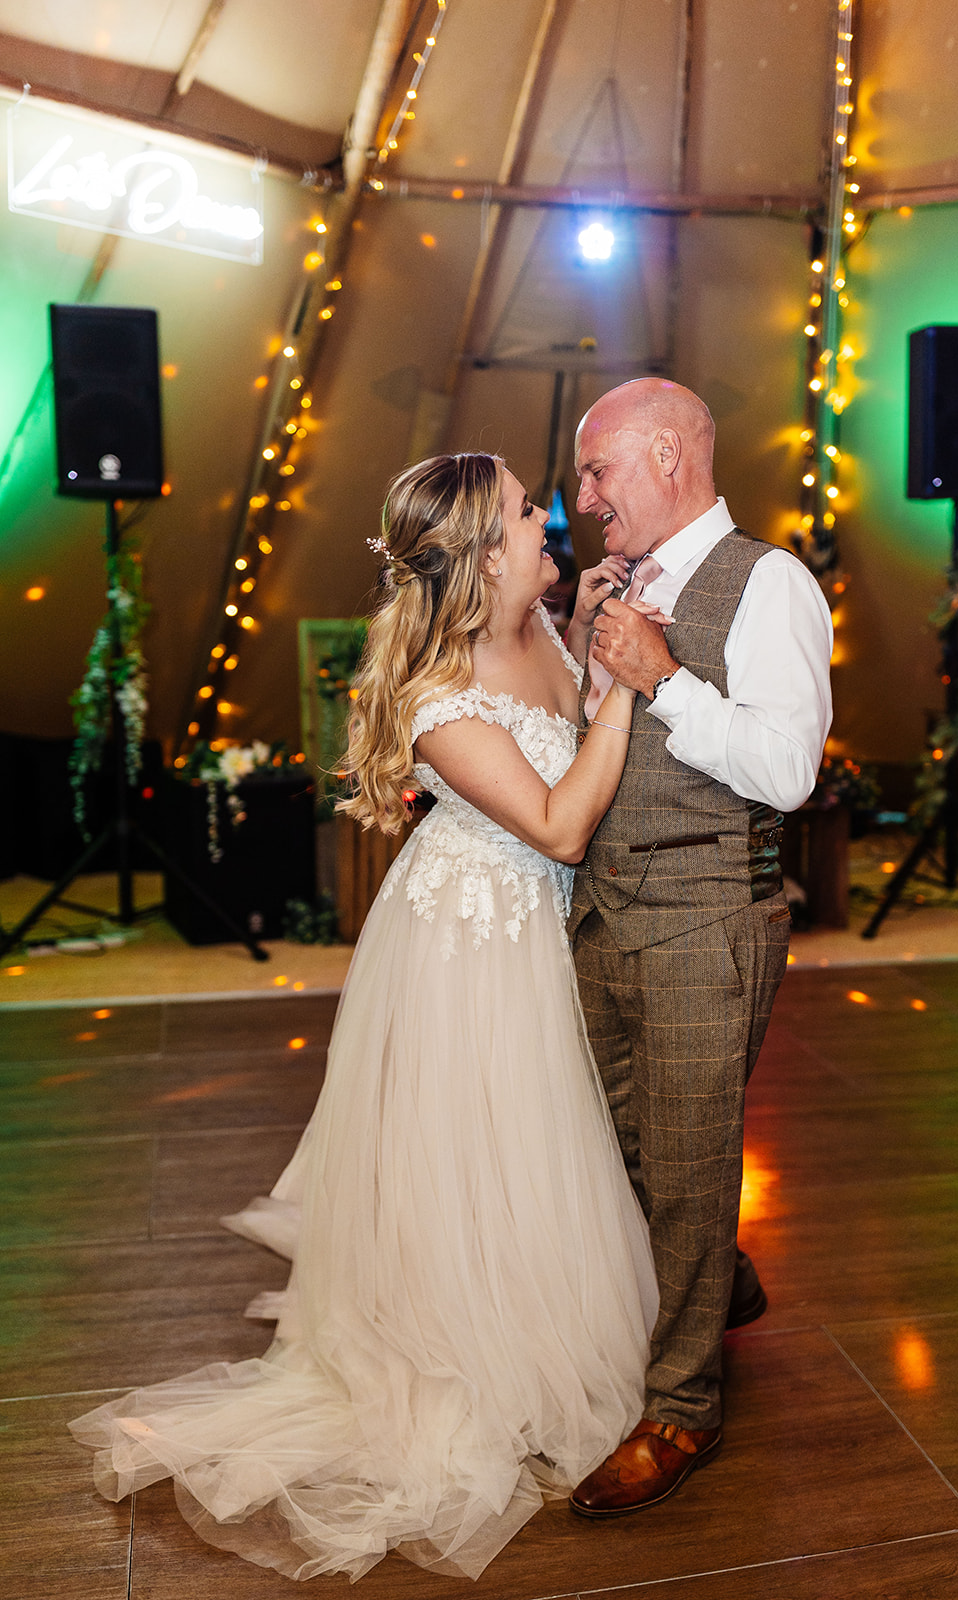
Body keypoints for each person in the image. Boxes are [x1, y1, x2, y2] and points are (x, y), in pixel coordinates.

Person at [69, 453, 664, 1583]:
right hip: (473, 945)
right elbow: (560, 824)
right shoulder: (435, 693)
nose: (551, 520)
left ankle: (537, 1334)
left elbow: (574, 732)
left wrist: (590, 648)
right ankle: (471, 1368)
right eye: (529, 511)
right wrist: (631, 680)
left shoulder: (540, 626)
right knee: (477, 1150)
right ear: (486, 550)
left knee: (542, 1151)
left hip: (541, 931)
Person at [563, 378, 834, 1518]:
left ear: (668, 454)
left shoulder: (768, 583)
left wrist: (661, 679)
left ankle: (680, 1406)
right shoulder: (616, 588)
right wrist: (587, 654)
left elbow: (787, 772)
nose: (582, 501)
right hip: (602, 909)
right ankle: (715, 1276)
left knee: (681, 1163)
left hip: (705, 915)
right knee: (607, 1138)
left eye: (596, 472)